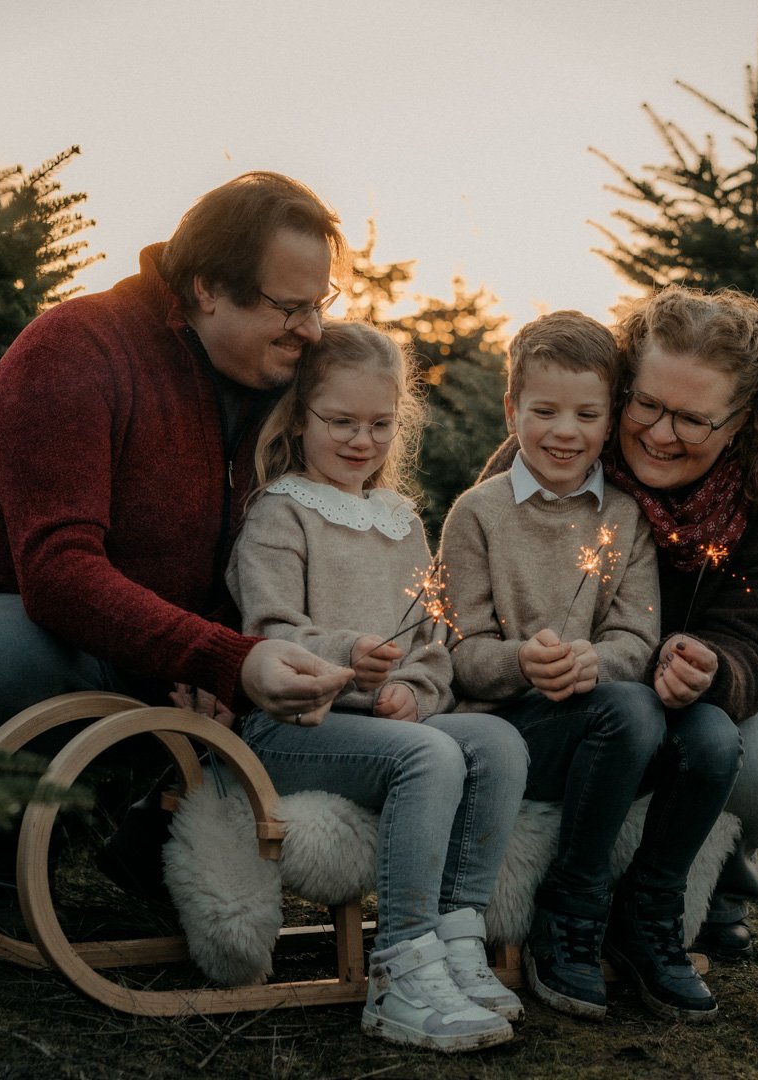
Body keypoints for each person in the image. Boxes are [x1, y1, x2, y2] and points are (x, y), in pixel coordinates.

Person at [0, 172, 355, 893]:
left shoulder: (281, 381)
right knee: (13, 654)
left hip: (164, 645)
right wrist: (223, 656)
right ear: (206, 287)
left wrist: (228, 656)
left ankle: (150, 864)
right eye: (288, 307)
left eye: (319, 305)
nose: (313, 330)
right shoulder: (76, 348)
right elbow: (57, 573)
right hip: (3, 618)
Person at [226, 320, 526, 1052]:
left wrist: (416, 694)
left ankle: (458, 936)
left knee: (495, 740)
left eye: (380, 425)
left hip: (383, 725)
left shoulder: (400, 521)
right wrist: (347, 657)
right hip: (290, 727)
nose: (362, 441)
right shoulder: (280, 512)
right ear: (300, 418)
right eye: (341, 422)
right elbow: (267, 635)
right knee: (430, 757)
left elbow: (431, 641)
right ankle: (401, 969)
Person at [439, 311, 740, 1024]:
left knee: (714, 737)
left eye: (586, 413)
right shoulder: (476, 516)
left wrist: (593, 659)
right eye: (544, 411)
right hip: (518, 736)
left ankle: (650, 916)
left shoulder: (625, 519)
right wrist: (522, 661)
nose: (564, 431)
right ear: (513, 410)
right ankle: (568, 908)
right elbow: (459, 654)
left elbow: (637, 642)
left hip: (607, 728)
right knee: (632, 707)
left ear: (611, 425)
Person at [605, 285, 758, 962]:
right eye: (645, 403)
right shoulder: (565, 444)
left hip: (717, 686)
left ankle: (723, 886)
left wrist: (716, 669)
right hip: (598, 676)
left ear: (741, 421)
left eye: (693, 419)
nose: (659, 432)